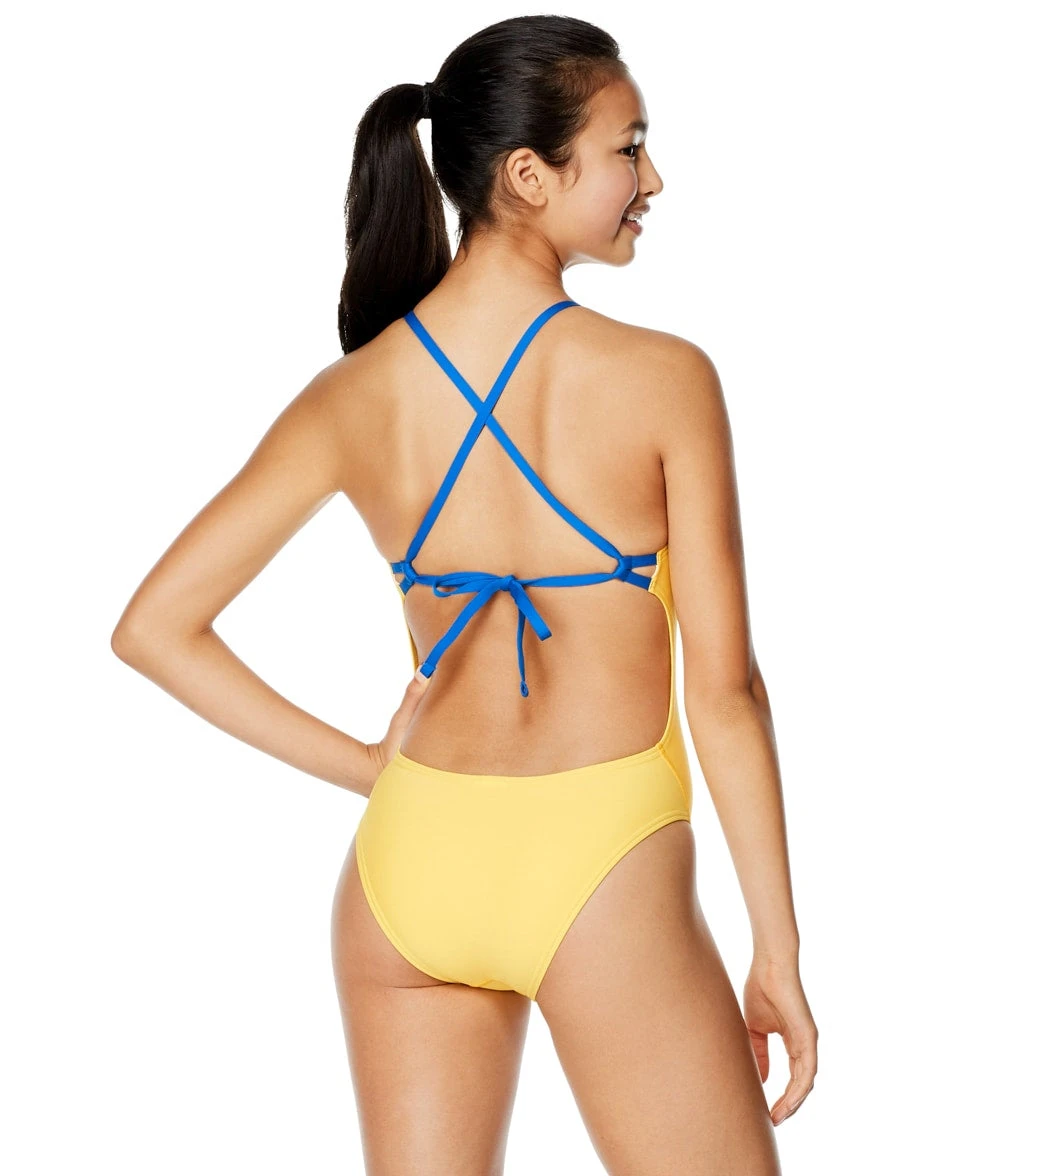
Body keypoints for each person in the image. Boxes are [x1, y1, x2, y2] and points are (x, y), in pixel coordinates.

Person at [111, 13, 817, 1174]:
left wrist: (369, 769)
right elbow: (726, 691)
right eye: (629, 147)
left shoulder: (356, 394)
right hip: (602, 863)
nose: (653, 179)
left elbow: (154, 628)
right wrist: (777, 951)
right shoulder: (666, 380)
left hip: (411, 867)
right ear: (529, 175)